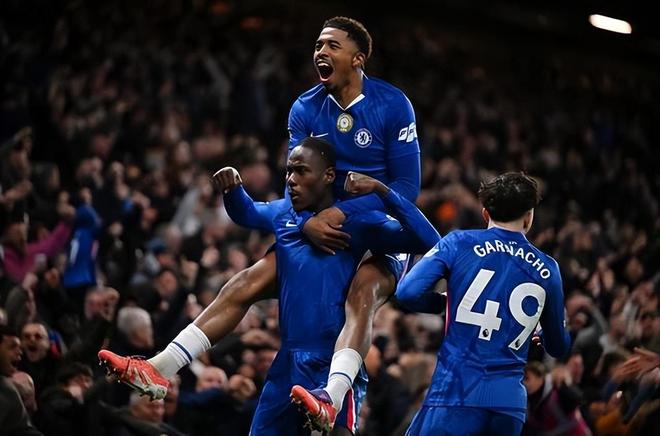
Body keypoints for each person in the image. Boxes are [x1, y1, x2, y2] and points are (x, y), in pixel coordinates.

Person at [99, 15, 422, 426]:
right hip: (319, 226)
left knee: (362, 293)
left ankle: (332, 395)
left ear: (358, 59)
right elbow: (297, 177)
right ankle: (161, 367)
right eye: (318, 45)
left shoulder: (392, 105)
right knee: (247, 280)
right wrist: (304, 223)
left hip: (375, 229)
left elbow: (407, 188)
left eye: (332, 45)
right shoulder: (305, 107)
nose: (320, 52)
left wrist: (344, 212)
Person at [104, 137, 437, 434]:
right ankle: (161, 367)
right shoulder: (285, 214)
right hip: (287, 362)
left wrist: (382, 192)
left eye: (301, 171)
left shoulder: (359, 222)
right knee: (241, 283)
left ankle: (332, 395)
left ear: (328, 176)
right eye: (289, 171)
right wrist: (233, 192)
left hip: (333, 364)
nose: (291, 179)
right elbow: (247, 213)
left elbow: (428, 241)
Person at [394, 172, 572, 436]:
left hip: (457, 393)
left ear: (485, 213)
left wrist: (444, 304)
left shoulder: (459, 243)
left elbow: (407, 293)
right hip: (509, 406)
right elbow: (558, 347)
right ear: (528, 217)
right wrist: (545, 334)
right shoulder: (548, 268)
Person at [0, 324, 43, 435]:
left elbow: (22, 429)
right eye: (12, 347)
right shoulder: (6, 389)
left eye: (19, 347)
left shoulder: (8, 388)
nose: (20, 352)